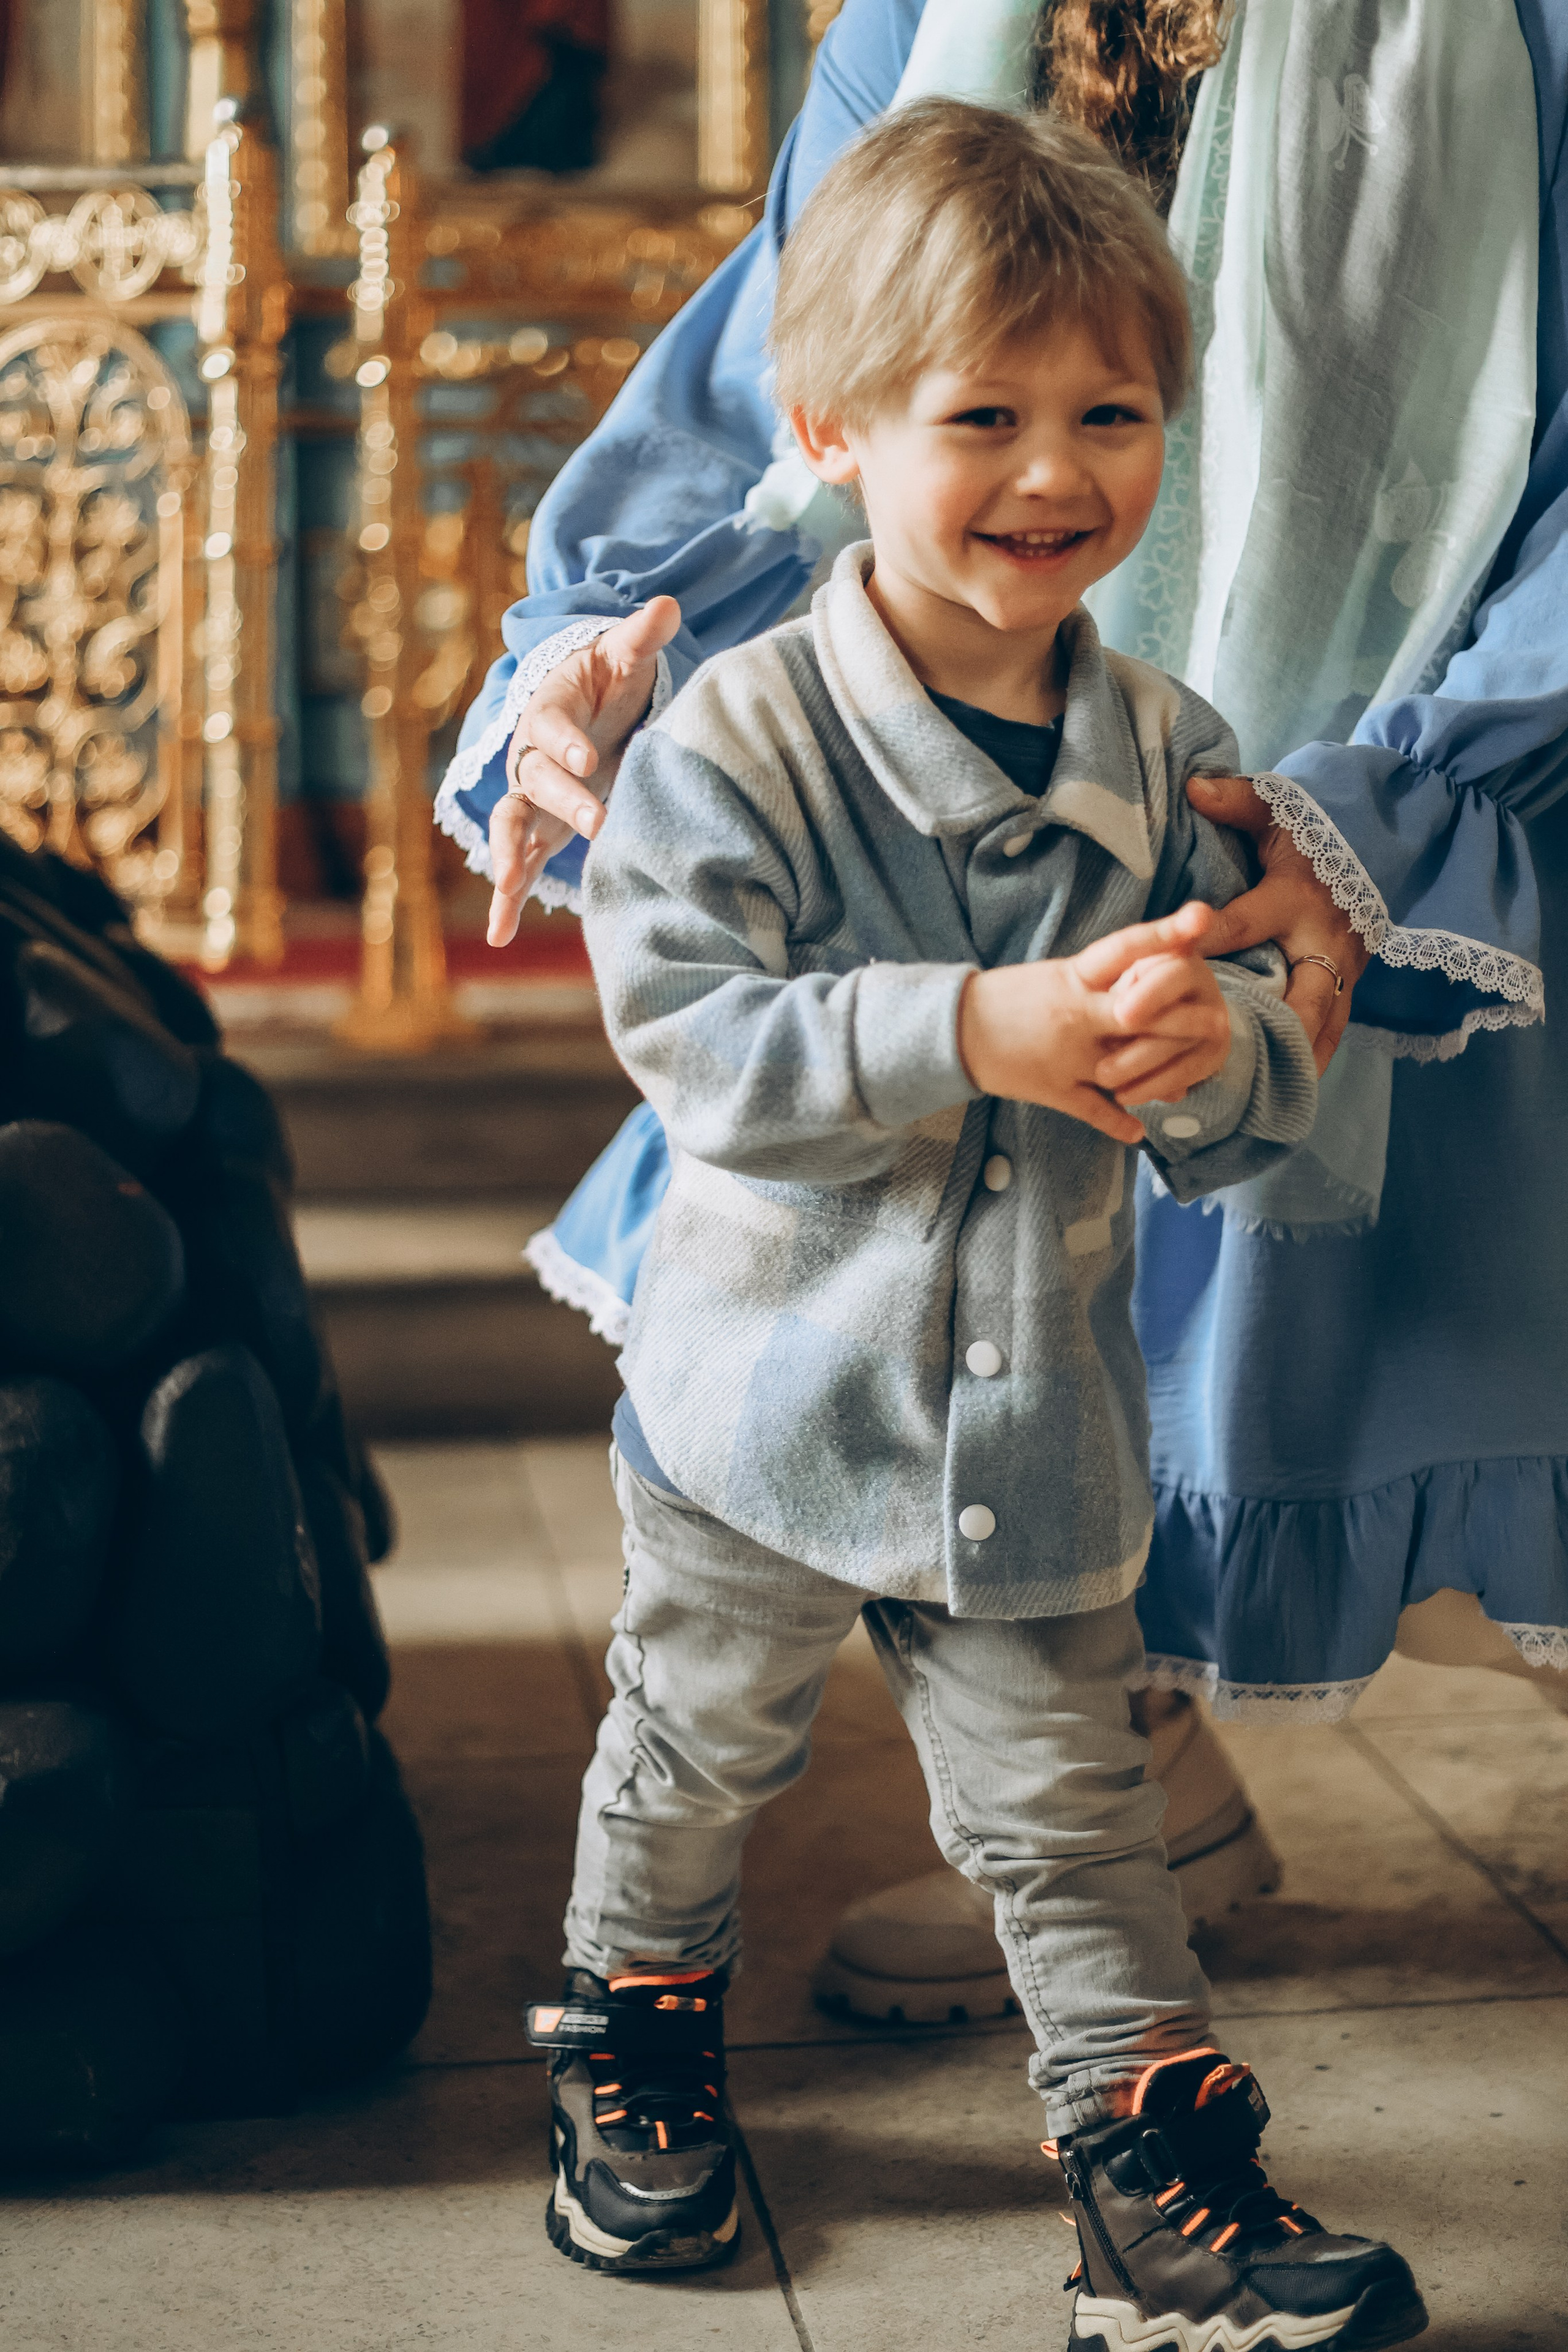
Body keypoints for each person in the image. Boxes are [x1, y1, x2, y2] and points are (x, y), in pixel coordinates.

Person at [440, 0, 1568, 2024]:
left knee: (1473, 1339)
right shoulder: (930, 13)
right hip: (1022, 732)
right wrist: (606, 645)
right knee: (995, 1327)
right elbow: (800, 340)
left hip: (1452, 725)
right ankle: (1115, 1799)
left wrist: (1408, 808)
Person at [524, 106, 1428, 2352]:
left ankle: (1151, 2190)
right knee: (690, 1753)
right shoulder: (737, 742)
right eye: (983, 417)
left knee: (1075, 1817)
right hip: (758, 1411)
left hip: (1032, 1437)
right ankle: (635, 2034)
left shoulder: (1173, 750)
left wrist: (1219, 1059)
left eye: (1109, 414)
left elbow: (1246, 1082)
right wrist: (972, 1026)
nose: (1053, 471)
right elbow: (697, 1041)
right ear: (833, 432)